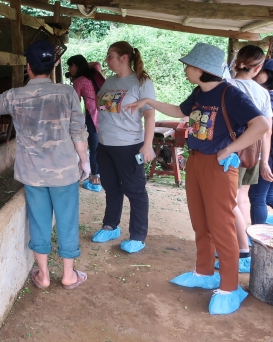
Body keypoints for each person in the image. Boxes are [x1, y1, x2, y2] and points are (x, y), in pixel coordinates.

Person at [125, 42, 268, 315]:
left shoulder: (231, 94)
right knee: (200, 220)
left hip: (220, 166)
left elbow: (261, 124)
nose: (186, 69)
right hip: (197, 161)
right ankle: (204, 272)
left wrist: (230, 148)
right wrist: (147, 101)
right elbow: (180, 111)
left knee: (221, 225)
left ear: (202, 69)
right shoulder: (199, 93)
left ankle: (230, 286)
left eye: (189, 65)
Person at [0, 40, 90, 290]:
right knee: (67, 220)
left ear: (28, 68)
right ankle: (68, 275)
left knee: (39, 221)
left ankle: (42, 276)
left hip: (33, 174)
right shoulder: (67, 93)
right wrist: (84, 162)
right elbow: (78, 131)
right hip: (64, 172)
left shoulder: (15, 96)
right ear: (53, 66)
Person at [90, 41, 156, 254]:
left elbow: (149, 114)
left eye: (110, 56)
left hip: (129, 145)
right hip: (105, 143)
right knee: (111, 187)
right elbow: (101, 104)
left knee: (135, 191)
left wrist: (147, 145)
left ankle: (138, 236)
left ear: (124, 58)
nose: (107, 60)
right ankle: (111, 226)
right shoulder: (109, 81)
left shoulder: (141, 82)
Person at [221, 46, 272, 273]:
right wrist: (264, 161)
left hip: (231, 153)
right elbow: (267, 130)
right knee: (241, 200)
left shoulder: (227, 87)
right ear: (258, 67)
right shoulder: (262, 93)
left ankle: (242, 250)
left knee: (227, 201)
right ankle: (242, 246)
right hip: (254, 153)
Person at [67, 55, 106, 191]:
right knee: (104, 145)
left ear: (77, 66)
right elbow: (96, 63)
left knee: (94, 147)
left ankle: (95, 180)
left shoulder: (79, 81)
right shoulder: (95, 73)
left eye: (71, 65)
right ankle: (105, 175)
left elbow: (74, 103)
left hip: (92, 115)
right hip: (107, 113)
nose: (69, 69)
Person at [248, 59, 273, 224]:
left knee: (257, 196)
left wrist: (264, 161)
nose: (256, 72)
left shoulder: (267, 96)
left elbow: (266, 131)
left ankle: (259, 241)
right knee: (268, 194)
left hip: (268, 152)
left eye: (260, 70)